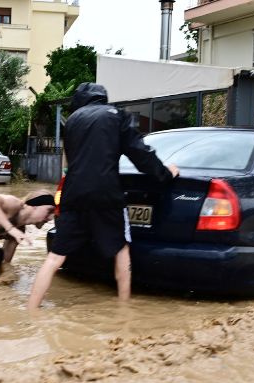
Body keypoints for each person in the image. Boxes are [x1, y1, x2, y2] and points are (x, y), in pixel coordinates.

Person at [28, 82, 179, 309]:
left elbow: (69, 163)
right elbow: (140, 154)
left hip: (72, 195)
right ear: (102, 98)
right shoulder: (116, 115)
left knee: (55, 257)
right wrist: (165, 174)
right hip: (106, 194)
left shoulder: (72, 121)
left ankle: (31, 309)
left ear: (80, 101)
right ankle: (123, 311)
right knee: (121, 249)